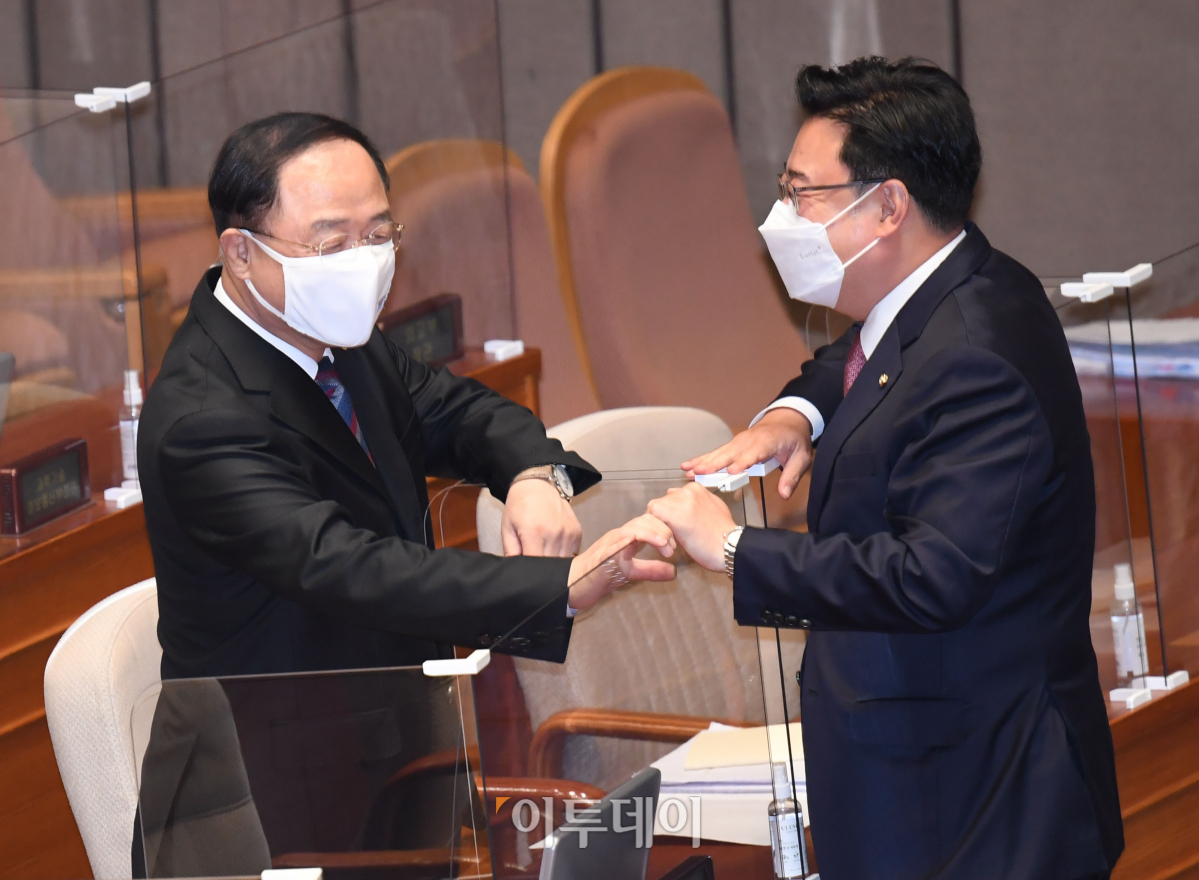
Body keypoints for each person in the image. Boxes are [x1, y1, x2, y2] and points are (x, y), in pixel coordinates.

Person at [649, 57, 1122, 880]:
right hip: (921, 769)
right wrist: (795, 415)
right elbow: (867, 356)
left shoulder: (975, 361)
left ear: (887, 206)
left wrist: (732, 549)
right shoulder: (968, 282)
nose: (782, 216)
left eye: (803, 193)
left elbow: (929, 578)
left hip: (976, 802)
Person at [138, 112, 676, 680]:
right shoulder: (200, 419)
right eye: (331, 243)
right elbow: (348, 567)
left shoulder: (337, 334)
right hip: (277, 729)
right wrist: (558, 586)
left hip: (400, 706)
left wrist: (535, 477)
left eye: (376, 236)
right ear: (241, 254)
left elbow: (461, 413)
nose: (360, 263)